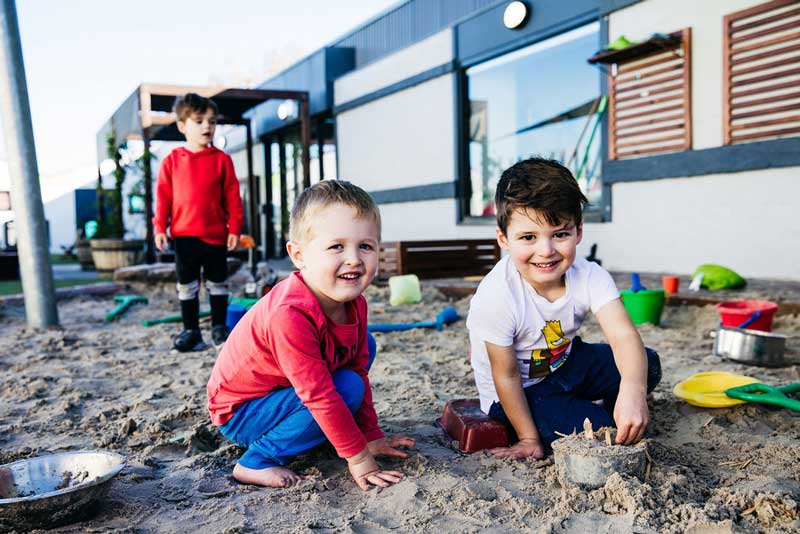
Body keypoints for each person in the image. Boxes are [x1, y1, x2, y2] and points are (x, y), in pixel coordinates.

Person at [207, 180, 415, 489]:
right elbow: (320, 395)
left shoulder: (355, 303)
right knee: (345, 389)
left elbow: (358, 370)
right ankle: (256, 461)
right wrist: (358, 458)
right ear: (299, 255)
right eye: (336, 246)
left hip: (285, 393)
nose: (354, 259)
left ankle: (310, 431)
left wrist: (369, 437)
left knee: (363, 350)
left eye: (366, 246)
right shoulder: (289, 314)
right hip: (243, 412)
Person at [466, 157, 661, 459]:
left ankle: (620, 409)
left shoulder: (589, 275)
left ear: (578, 231)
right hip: (520, 391)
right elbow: (506, 376)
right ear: (504, 239)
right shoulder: (496, 296)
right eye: (528, 237)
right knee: (601, 432)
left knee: (647, 363)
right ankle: (592, 417)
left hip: (565, 364)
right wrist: (528, 438)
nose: (546, 251)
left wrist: (633, 392)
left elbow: (623, 336)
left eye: (559, 234)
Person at [153, 93, 244, 351]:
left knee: (218, 284)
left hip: (216, 236)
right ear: (182, 126)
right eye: (199, 120)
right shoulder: (171, 162)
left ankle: (218, 329)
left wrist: (234, 227)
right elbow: (163, 198)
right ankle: (191, 330)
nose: (207, 126)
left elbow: (233, 198)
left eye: (212, 121)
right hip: (184, 237)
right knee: (187, 285)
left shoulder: (222, 161)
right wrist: (160, 227)